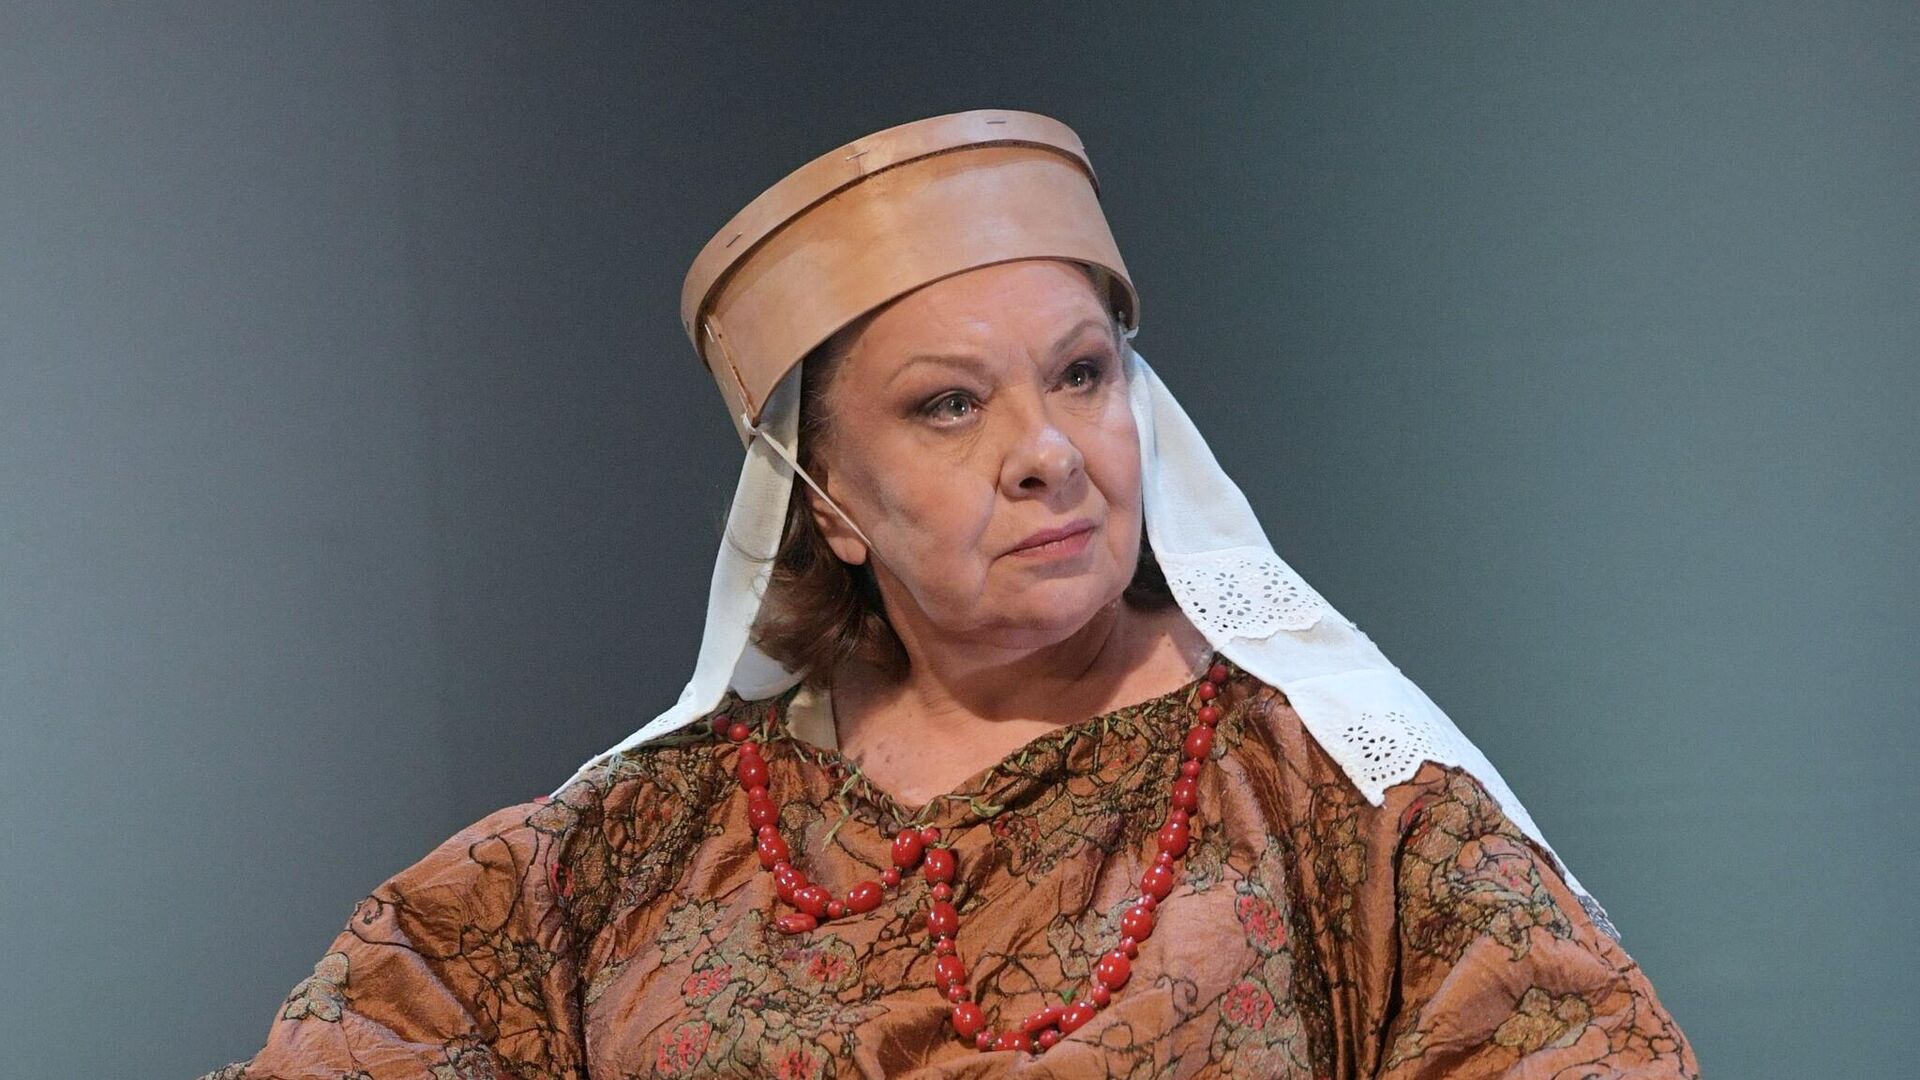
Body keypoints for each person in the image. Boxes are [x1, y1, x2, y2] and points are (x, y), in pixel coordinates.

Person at [201, 109, 1697, 1079]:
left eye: (1082, 375)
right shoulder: (626, 855)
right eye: (948, 405)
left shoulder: (1339, 805)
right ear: (827, 501)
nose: (1047, 453)